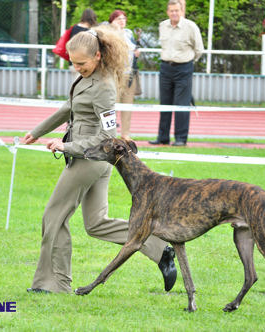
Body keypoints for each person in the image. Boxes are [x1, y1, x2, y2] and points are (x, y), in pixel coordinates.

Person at [22, 25, 177, 294]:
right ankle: (159, 248)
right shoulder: (86, 78)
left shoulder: (104, 86)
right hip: (91, 160)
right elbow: (66, 109)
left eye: (81, 63)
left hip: (89, 160)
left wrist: (66, 145)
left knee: (53, 216)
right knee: (96, 224)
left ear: (97, 57)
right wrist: (36, 132)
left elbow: (108, 137)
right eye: (73, 64)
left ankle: (55, 284)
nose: (77, 68)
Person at [149, 0, 203, 146]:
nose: (174, 13)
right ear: (168, 12)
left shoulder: (190, 26)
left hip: (184, 68)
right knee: (164, 103)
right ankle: (163, 137)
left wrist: (188, 62)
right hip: (166, 67)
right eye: (171, 11)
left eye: (177, 11)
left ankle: (180, 138)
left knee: (181, 104)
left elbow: (199, 49)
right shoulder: (163, 26)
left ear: (181, 11)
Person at [109, 10, 141, 140]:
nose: (122, 21)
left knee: (128, 104)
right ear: (112, 21)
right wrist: (115, 29)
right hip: (115, 74)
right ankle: (111, 133)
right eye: (118, 19)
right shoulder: (110, 33)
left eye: (123, 19)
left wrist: (136, 53)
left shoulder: (128, 33)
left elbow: (132, 48)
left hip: (130, 73)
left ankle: (125, 133)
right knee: (112, 104)